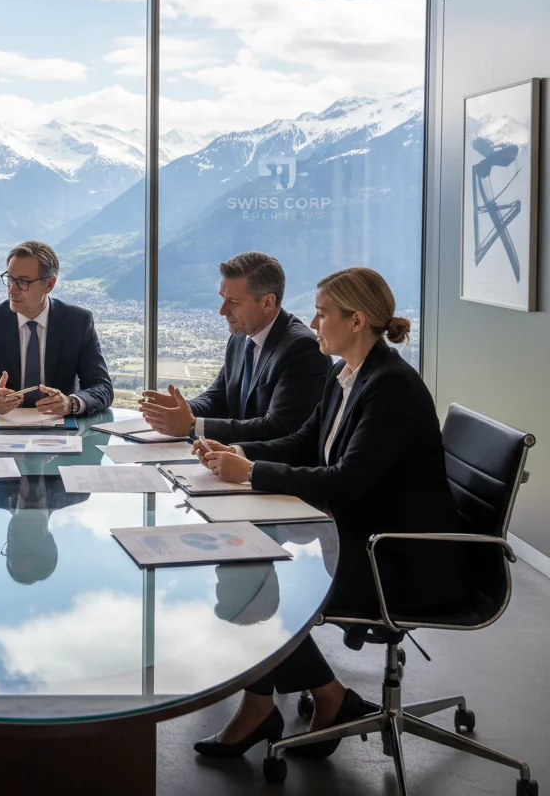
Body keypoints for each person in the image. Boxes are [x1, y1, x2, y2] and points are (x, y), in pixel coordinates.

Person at [190, 267, 465, 761]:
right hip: (358, 532)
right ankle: (313, 700)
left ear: (356, 320)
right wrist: (235, 452)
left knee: (256, 583)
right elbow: (304, 444)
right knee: (248, 568)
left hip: (399, 557)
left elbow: (346, 480)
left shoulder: (391, 388)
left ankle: (299, 703)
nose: (313, 323)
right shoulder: (347, 374)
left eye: (322, 313)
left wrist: (251, 472)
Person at [140, 251, 330, 441]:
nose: (222, 311)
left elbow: (278, 428)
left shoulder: (302, 349)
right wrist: (181, 408)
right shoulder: (241, 337)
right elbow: (219, 397)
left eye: (233, 302)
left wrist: (193, 426)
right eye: (223, 298)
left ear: (267, 302)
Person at [0, 241, 114, 417]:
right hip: (0, 427)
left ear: (49, 284)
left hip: (60, 428)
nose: (12, 290)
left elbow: (102, 386)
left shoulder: (77, 322)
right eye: (10, 279)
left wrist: (71, 403)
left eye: (23, 282)